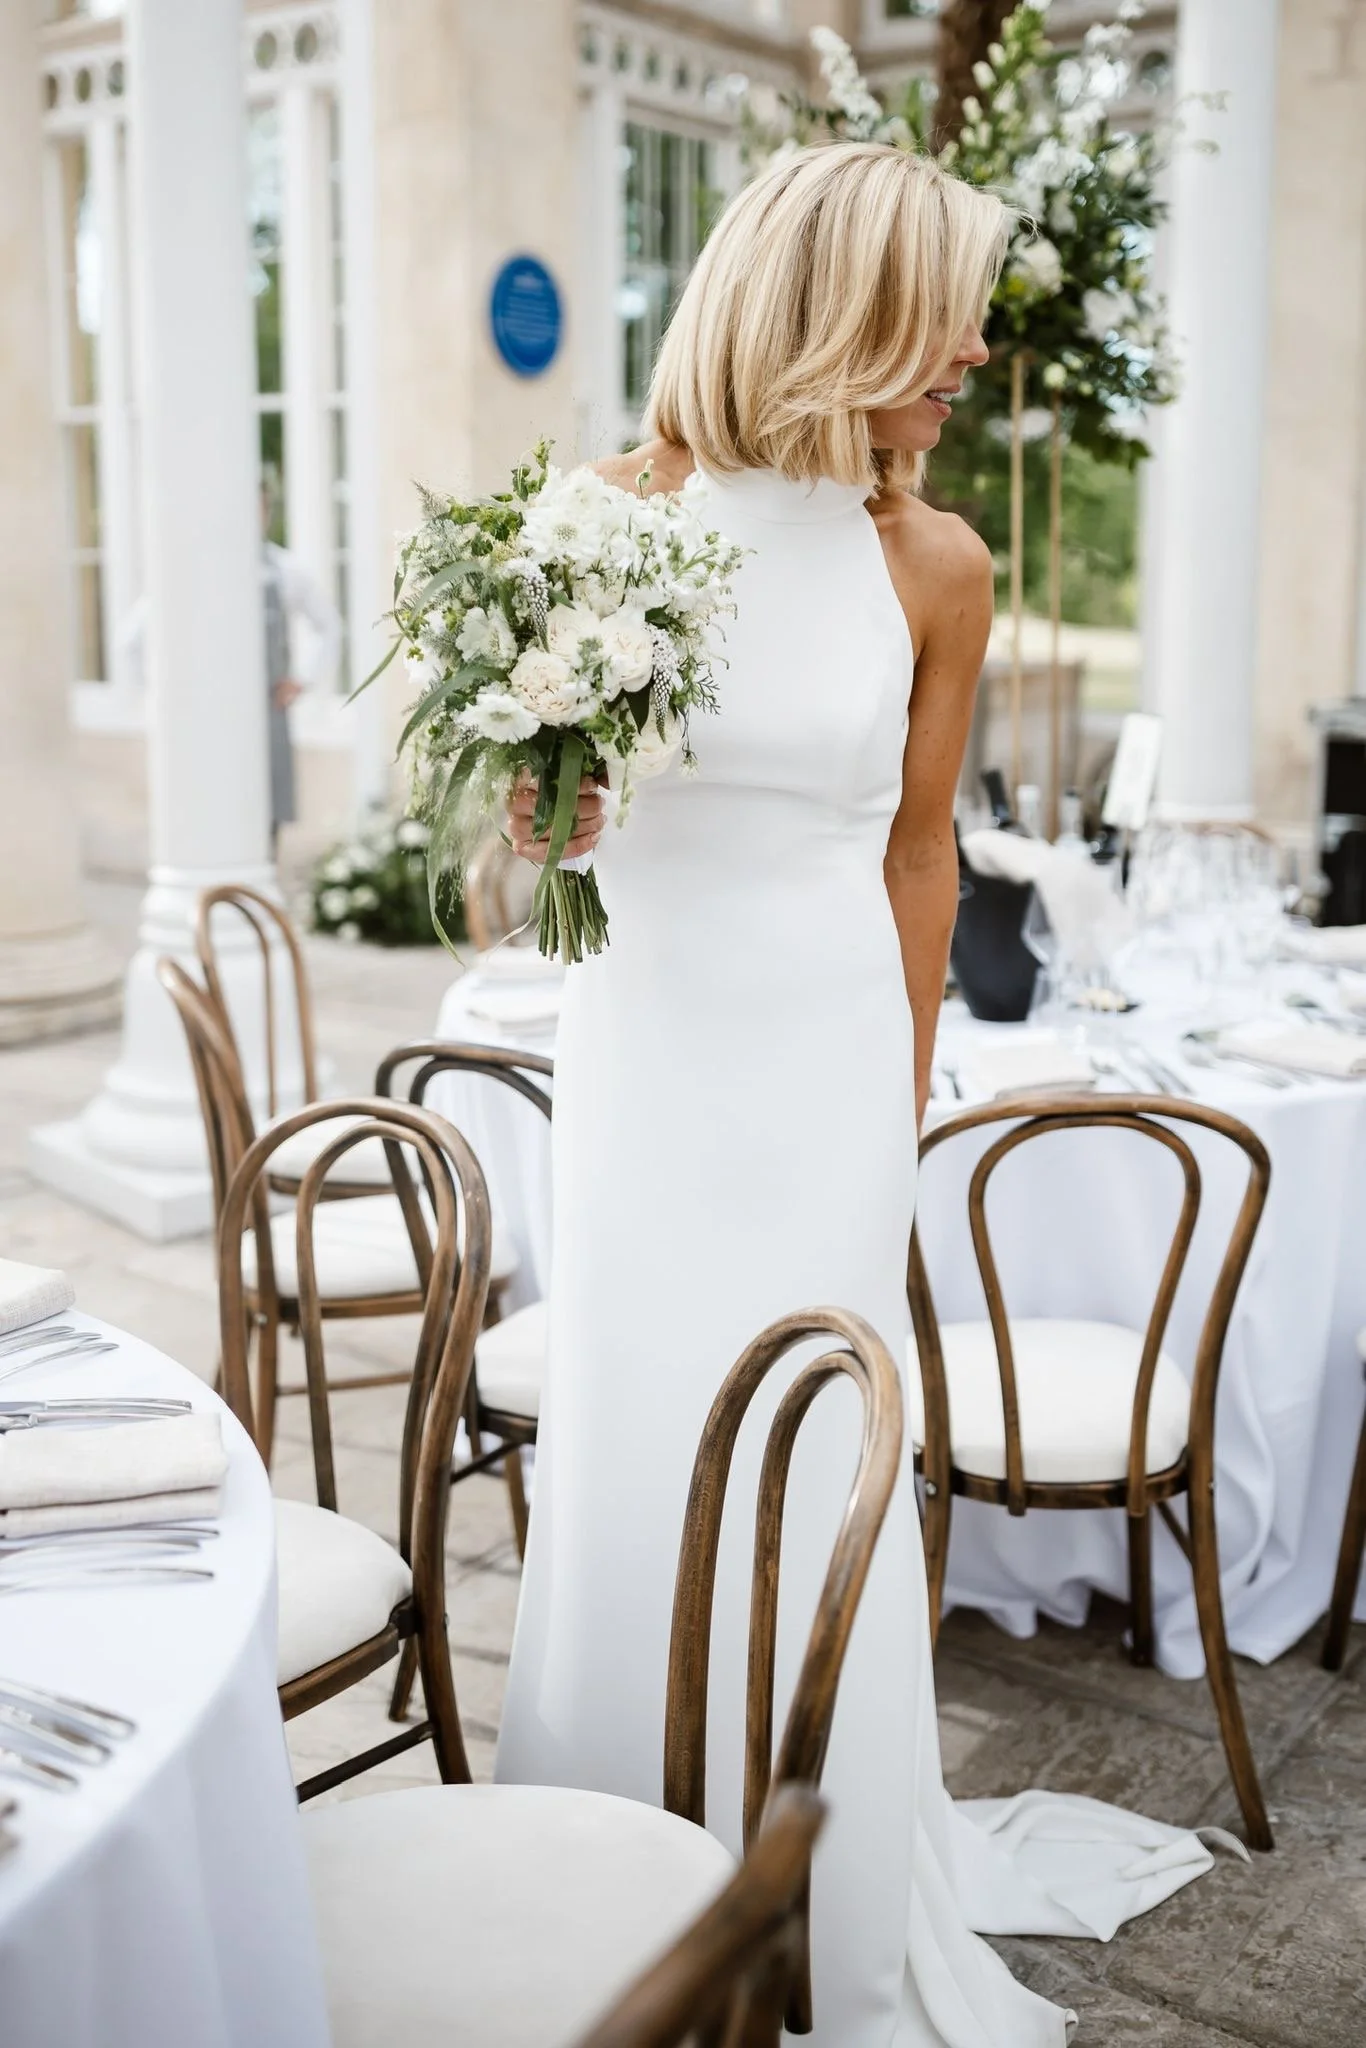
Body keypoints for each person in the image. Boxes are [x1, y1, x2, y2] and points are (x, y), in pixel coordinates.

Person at [497, 144, 1221, 2046]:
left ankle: (828, 1869)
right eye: (947, 314)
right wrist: (528, 810)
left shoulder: (937, 563)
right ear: (838, 310)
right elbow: (539, 836)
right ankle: (613, 1858)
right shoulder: (596, 519)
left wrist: (897, 1094)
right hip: (644, 1060)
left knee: (819, 1447)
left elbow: (919, 859)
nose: (976, 350)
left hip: (825, 1077)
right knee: (637, 1419)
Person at [260, 488, 342, 847]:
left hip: (268, 712)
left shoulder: (285, 570)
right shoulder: (201, 574)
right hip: (216, 720)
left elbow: (329, 626)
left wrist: (302, 680)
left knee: (267, 814)